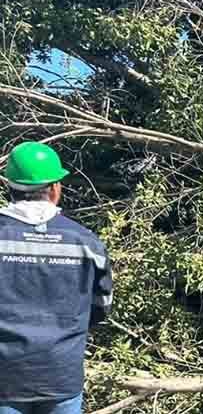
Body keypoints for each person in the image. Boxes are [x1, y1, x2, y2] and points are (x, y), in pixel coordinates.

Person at [0, 142, 112, 414]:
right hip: (61, 376)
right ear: (54, 188)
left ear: (10, 187)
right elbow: (101, 307)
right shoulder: (86, 242)